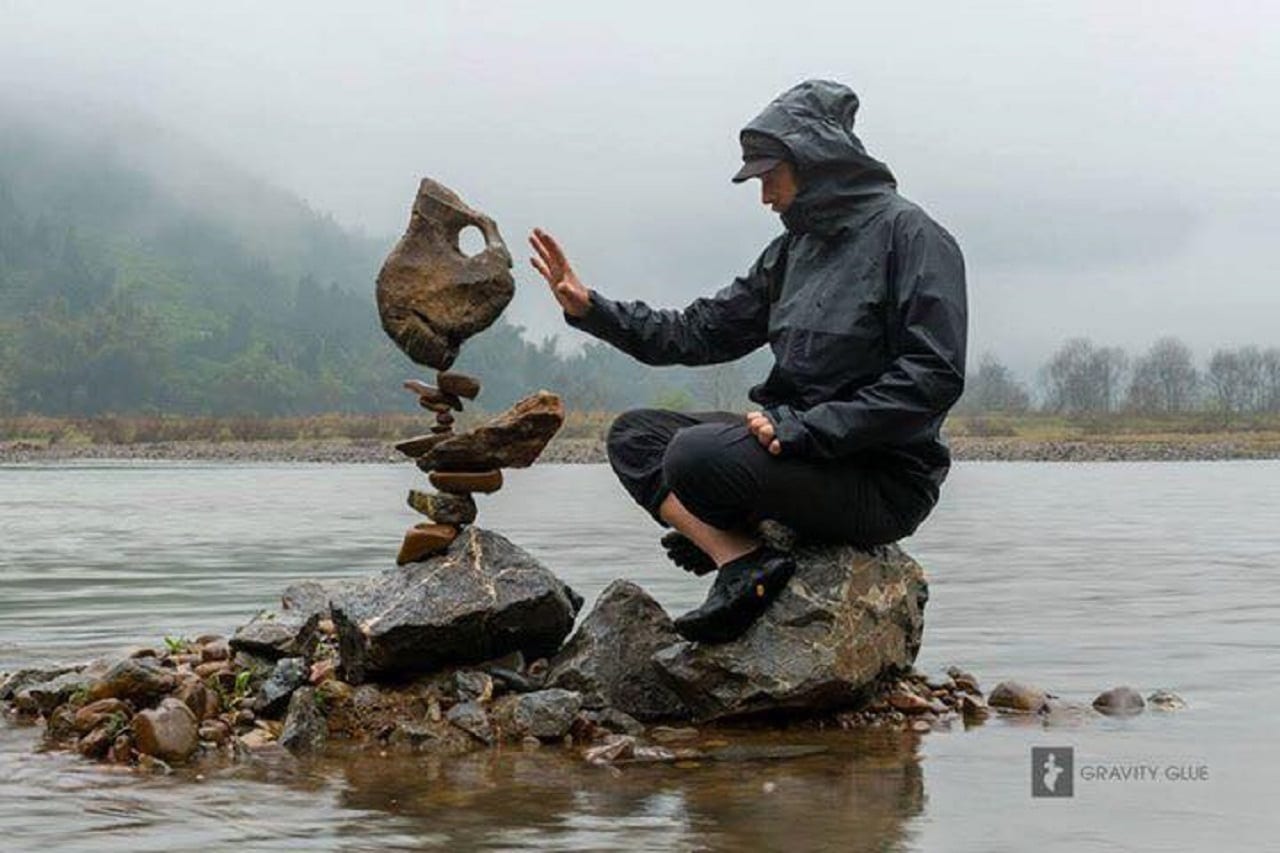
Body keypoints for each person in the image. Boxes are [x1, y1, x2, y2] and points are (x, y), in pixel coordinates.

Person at [529, 79, 967, 644]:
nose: (763, 195)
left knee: (694, 456)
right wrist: (593, 310)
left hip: (879, 477)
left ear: (812, 159)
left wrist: (807, 428)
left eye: (767, 176)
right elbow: (698, 331)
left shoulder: (913, 237)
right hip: (796, 450)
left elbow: (931, 379)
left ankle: (741, 534)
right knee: (635, 438)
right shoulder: (792, 252)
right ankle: (743, 562)